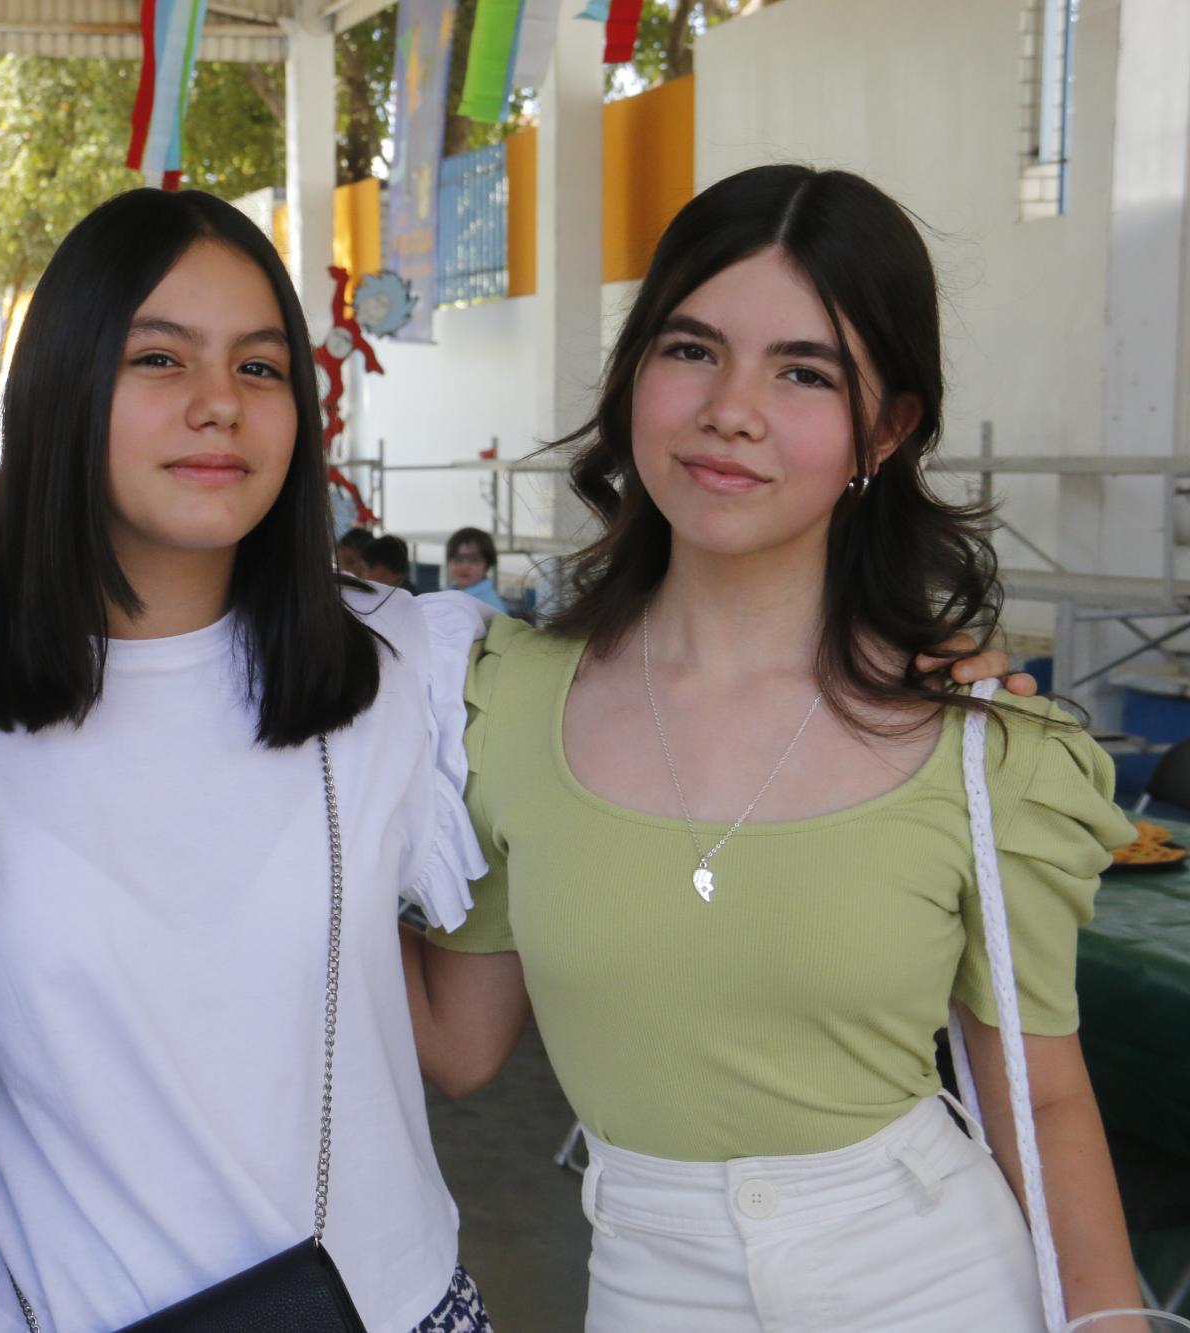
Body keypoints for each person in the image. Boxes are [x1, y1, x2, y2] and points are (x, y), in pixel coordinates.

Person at [405, 165, 1143, 1329]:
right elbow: (456, 1042)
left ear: (884, 429)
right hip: (644, 1289)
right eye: (690, 349)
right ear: (632, 375)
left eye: (803, 371)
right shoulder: (503, 707)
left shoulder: (975, 747)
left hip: (937, 1286)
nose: (729, 409)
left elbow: (1043, 1101)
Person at [0, 189, 498, 1333]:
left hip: (385, 1310)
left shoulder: (402, 666)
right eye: (159, 359)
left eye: (261, 367)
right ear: (65, 386)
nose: (218, 405)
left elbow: (456, 1043)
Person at [444, 527, 507, 612]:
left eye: (474, 560)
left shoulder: (490, 608)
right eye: (458, 559)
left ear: (487, 565)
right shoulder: (447, 595)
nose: (465, 566)